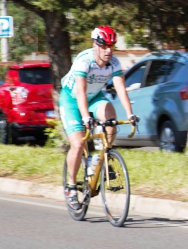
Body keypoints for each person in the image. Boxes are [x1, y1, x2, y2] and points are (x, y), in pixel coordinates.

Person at [59, 26, 138, 209]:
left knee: (110, 117)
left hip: (94, 97)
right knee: (78, 144)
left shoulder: (114, 63)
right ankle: (71, 187)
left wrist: (130, 114)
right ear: (95, 45)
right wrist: (86, 117)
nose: (108, 50)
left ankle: (104, 157)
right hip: (71, 99)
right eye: (104, 46)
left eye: (111, 46)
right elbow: (80, 92)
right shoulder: (84, 61)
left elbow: (120, 88)